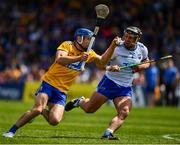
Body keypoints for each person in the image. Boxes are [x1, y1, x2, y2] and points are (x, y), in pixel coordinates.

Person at [2, 28, 121, 138]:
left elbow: (102, 62)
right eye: (88, 39)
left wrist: (112, 47)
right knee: (37, 109)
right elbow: (59, 59)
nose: (90, 42)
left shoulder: (89, 53)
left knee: (54, 121)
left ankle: (44, 110)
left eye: (91, 40)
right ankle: (11, 131)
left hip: (62, 90)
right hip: (49, 83)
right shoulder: (67, 45)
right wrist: (79, 58)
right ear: (79, 38)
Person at [65, 26, 150, 140]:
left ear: (137, 39)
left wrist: (139, 67)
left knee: (124, 112)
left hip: (125, 87)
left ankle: (108, 132)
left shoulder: (142, 48)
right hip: (109, 83)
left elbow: (147, 61)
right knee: (89, 109)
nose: (127, 39)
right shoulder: (117, 47)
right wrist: (110, 67)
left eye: (131, 38)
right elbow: (100, 64)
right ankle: (80, 101)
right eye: (126, 36)